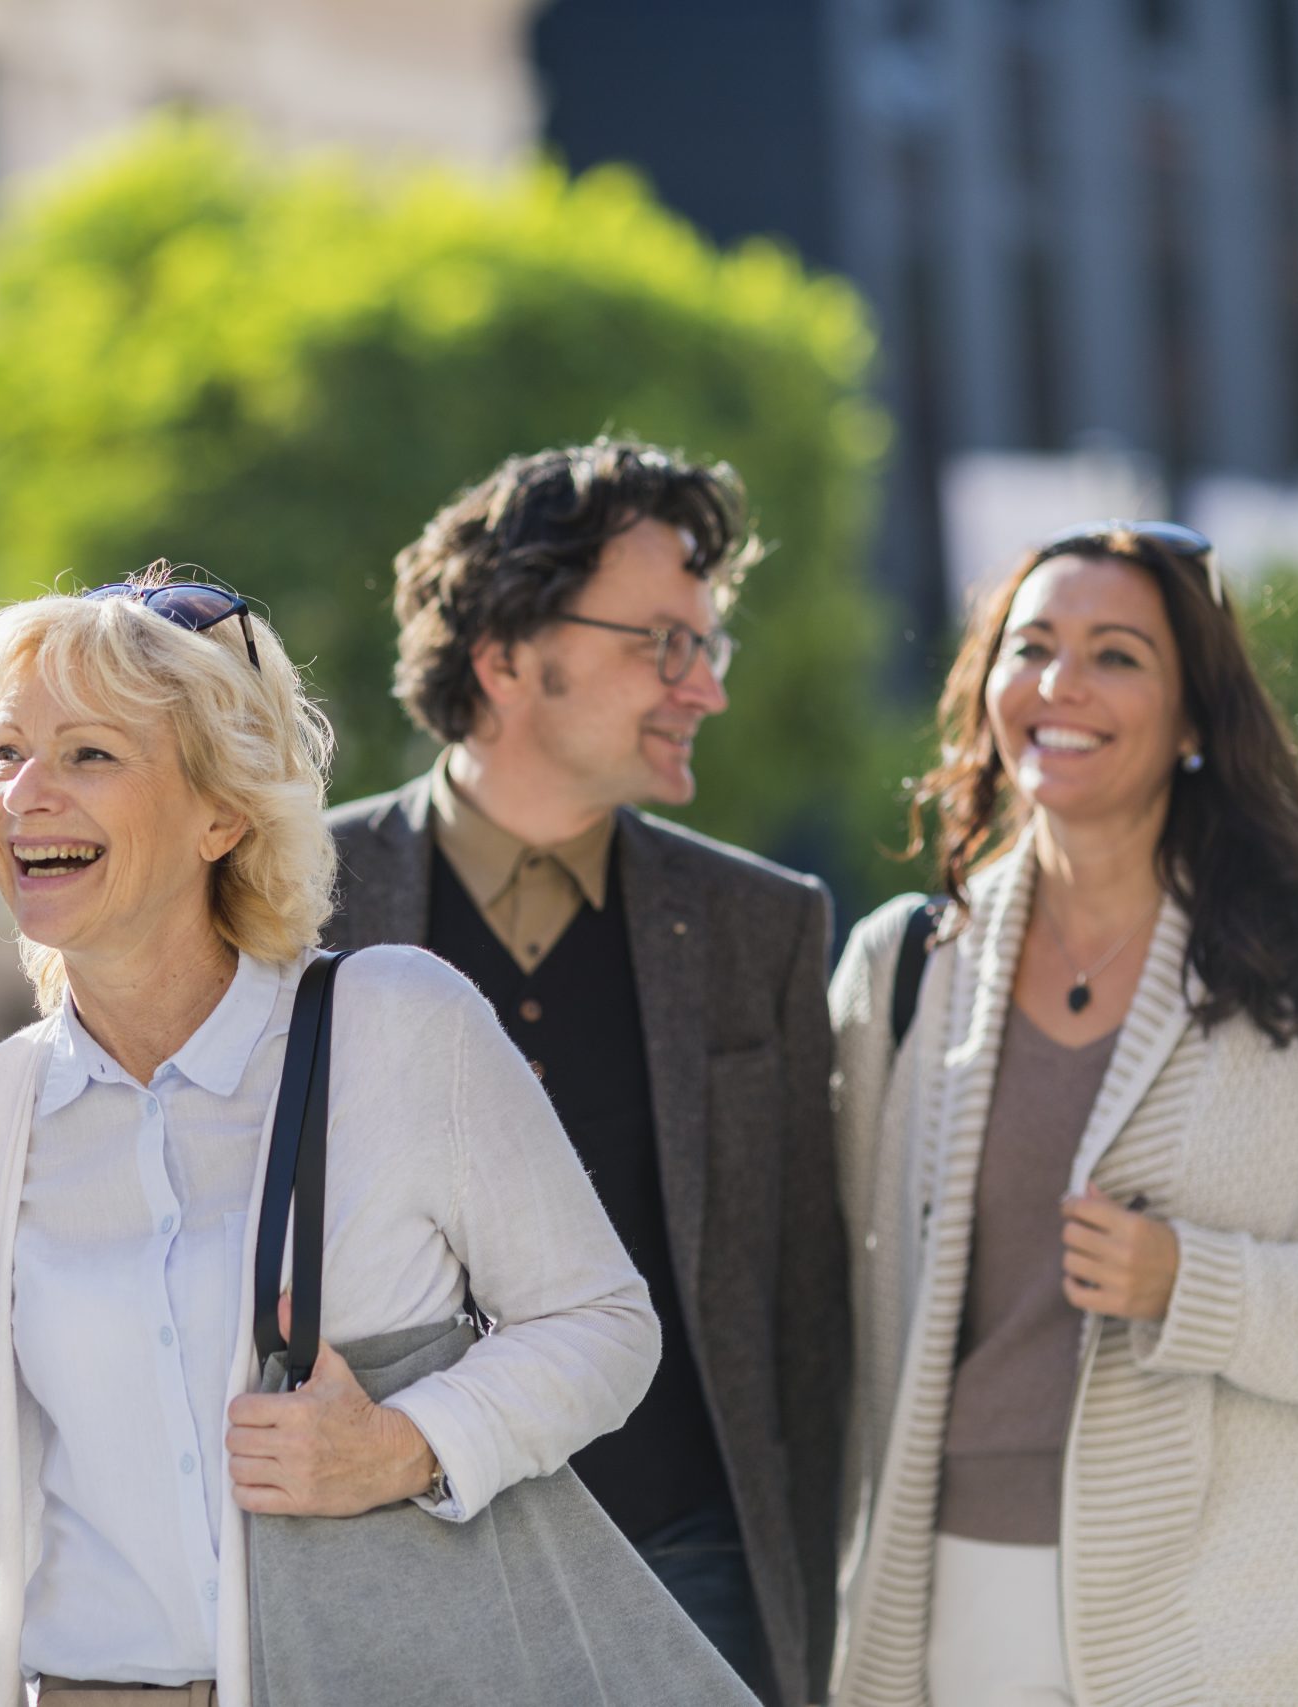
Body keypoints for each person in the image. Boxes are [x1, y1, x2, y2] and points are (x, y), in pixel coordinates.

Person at [0, 568, 660, 1706]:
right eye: (6, 754)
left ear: (223, 811)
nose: (26, 794)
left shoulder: (396, 1023)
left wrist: (405, 1445)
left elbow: (601, 1325)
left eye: (89, 754)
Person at [322, 440, 846, 1704]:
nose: (702, 689)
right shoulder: (301, 909)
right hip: (388, 1565)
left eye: (705, 646)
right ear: (505, 658)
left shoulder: (757, 928)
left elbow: (804, 1311)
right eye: (660, 644)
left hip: (693, 1571)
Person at [831, 521, 1298, 1704]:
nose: (1061, 685)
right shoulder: (902, 968)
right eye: (1032, 647)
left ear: (1191, 721)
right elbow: (829, 1299)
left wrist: (1191, 1283)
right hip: (958, 1594)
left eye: (1116, 654)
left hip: (1241, 1612)